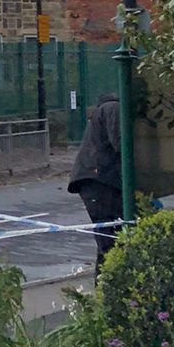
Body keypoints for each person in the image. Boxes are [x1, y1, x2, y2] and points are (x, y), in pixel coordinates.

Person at [68, 93, 122, 280]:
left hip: (99, 181)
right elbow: (121, 144)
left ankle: (108, 287)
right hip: (98, 181)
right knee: (109, 240)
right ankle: (106, 289)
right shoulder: (113, 109)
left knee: (112, 236)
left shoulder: (107, 110)